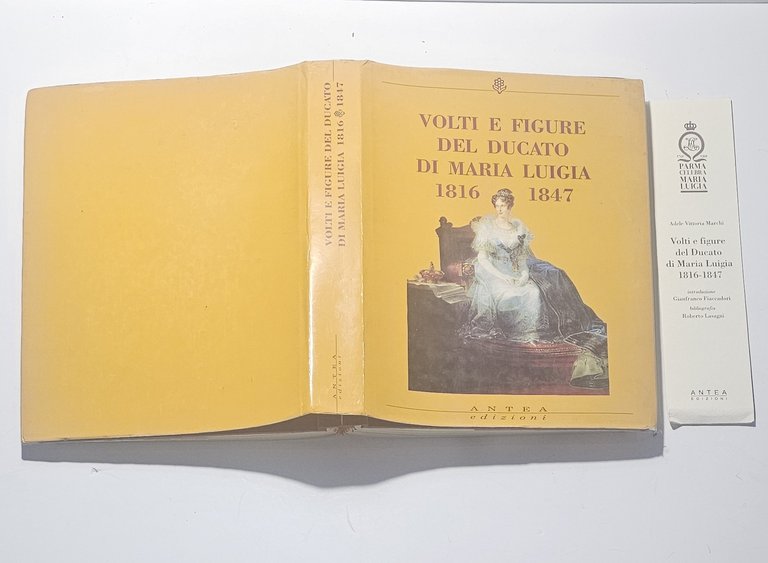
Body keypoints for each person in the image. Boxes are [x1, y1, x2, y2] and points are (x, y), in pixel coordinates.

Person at [462, 188, 608, 386]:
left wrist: (523, 275)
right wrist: (503, 276)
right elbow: (483, 259)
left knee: (534, 291)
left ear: (510, 206)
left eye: (503, 206)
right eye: (497, 206)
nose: (499, 210)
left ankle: (531, 334)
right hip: (493, 272)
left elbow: (522, 260)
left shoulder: (518, 228)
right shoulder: (487, 228)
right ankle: (516, 334)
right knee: (510, 295)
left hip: (515, 270)